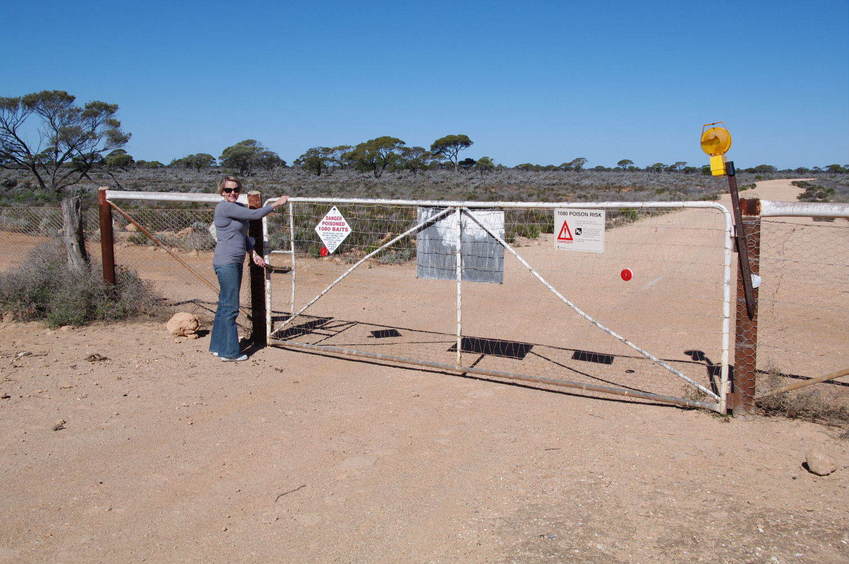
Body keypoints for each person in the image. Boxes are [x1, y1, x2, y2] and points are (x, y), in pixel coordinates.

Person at [209, 176, 288, 361]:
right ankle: (229, 352)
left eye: (235, 189)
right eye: (228, 190)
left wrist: (253, 253)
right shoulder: (224, 207)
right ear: (222, 192)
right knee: (230, 307)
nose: (232, 193)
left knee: (224, 304)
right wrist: (277, 203)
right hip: (226, 261)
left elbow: (242, 235)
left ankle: (217, 346)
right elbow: (255, 215)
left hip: (233, 260)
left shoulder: (237, 208)